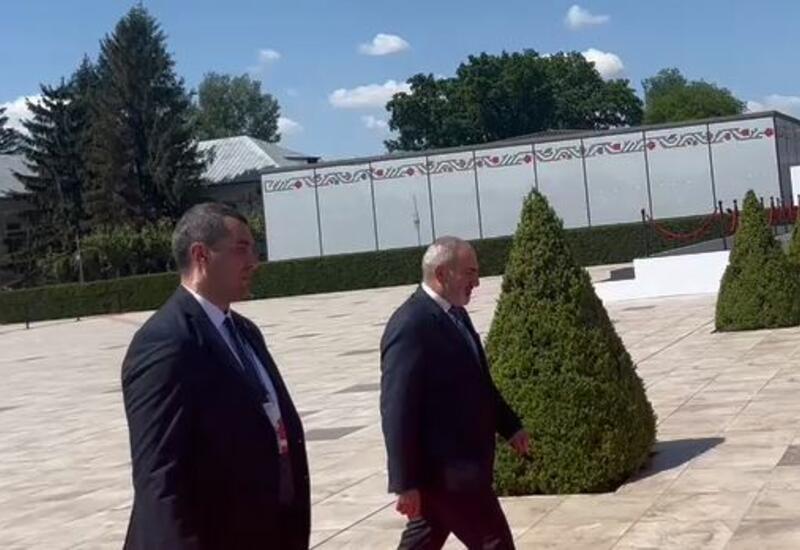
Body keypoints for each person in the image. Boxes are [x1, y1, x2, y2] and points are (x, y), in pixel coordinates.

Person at [121, 203, 310, 550]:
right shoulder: (166, 342)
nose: (254, 261)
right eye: (241, 249)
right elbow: (159, 475)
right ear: (201, 255)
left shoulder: (244, 332)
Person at [380, 236, 531, 550]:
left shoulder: (456, 314)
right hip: (449, 473)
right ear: (441, 274)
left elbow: (479, 383)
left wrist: (510, 426)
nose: (477, 282)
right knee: (495, 544)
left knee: (423, 541)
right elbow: (397, 408)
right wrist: (404, 482)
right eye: (470, 272)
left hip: (459, 469)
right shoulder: (411, 324)